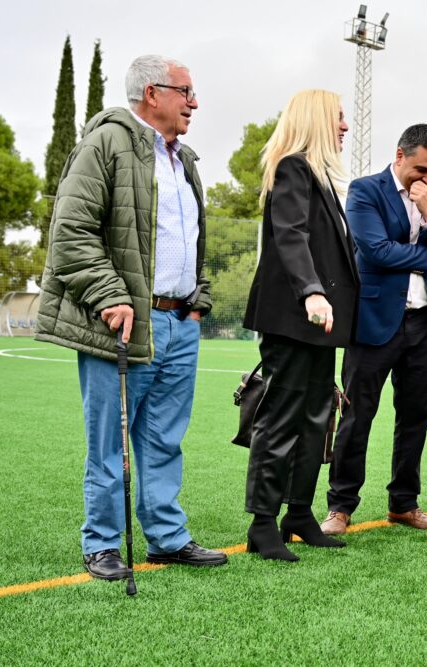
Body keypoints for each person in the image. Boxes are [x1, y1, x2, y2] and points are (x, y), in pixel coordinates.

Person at [35, 54, 227, 580]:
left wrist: (197, 302)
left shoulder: (183, 159)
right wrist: (110, 295)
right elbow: (71, 231)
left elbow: (188, 243)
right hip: (119, 321)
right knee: (110, 441)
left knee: (164, 438)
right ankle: (101, 543)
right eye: (185, 91)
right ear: (151, 94)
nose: (194, 102)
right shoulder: (105, 143)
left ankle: (166, 537)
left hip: (177, 322)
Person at [320, 124, 427, 535]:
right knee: (357, 415)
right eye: (422, 169)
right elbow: (375, 250)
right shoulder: (365, 190)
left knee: (416, 416)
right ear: (400, 155)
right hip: (373, 322)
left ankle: (404, 504)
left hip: (423, 323)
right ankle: (341, 507)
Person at [240, 90, 359, 560]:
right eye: (338, 118)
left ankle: (299, 513)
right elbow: (291, 235)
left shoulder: (324, 179)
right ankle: (263, 524)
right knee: (281, 418)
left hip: (320, 324)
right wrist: (311, 290)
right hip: (293, 318)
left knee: (316, 418)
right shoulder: (292, 167)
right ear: (315, 120)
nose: (345, 126)